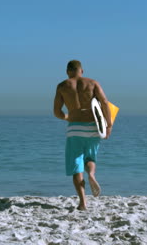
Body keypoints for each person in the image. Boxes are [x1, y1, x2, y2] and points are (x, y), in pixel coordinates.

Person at [53, 60, 112, 210]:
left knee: (76, 166)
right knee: (90, 158)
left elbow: (57, 112)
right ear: (82, 71)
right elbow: (104, 102)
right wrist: (108, 124)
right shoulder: (92, 83)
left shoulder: (62, 86)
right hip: (93, 127)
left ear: (67, 71)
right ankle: (91, 174)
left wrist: (68, 117)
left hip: (74, 129)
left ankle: (83, 203)